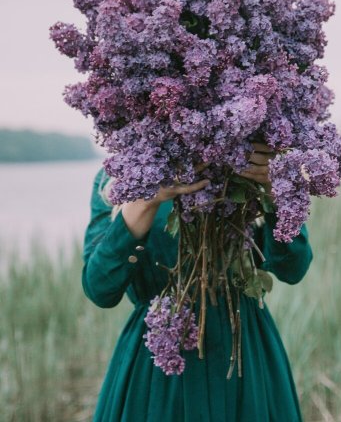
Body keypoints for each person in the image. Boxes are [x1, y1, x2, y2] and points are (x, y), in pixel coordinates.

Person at [82, 142, 313, 421]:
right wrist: (145, 200)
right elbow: (100, 290)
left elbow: (294, 269)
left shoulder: (250, 155)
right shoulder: (117, 176)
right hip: (159, 364)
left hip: (243, 352)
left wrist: (275, 188)